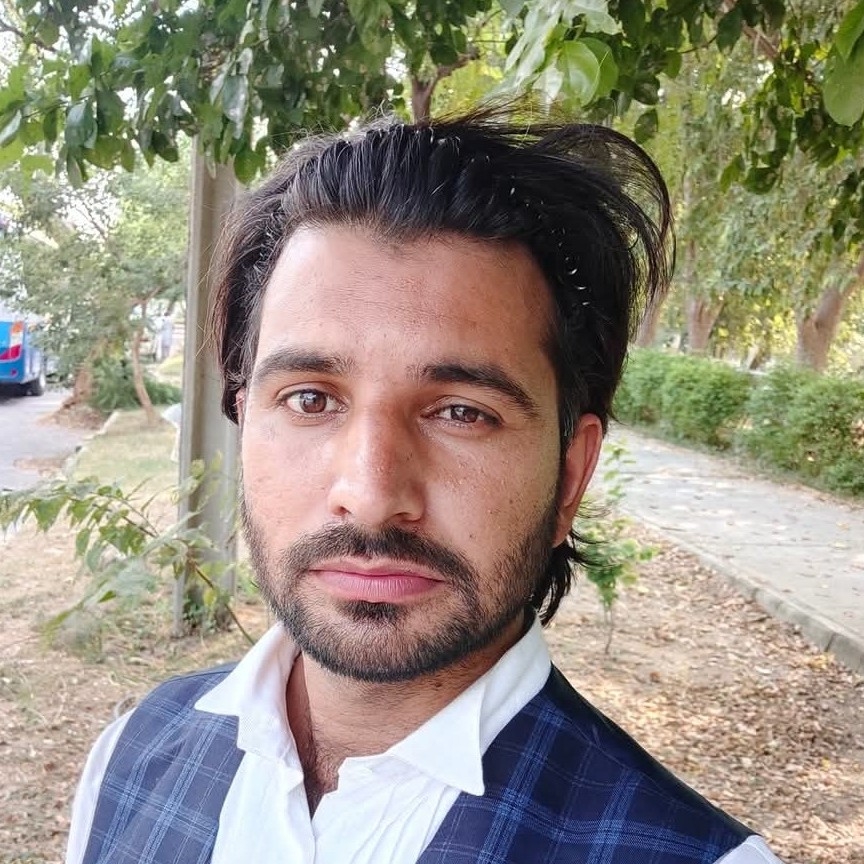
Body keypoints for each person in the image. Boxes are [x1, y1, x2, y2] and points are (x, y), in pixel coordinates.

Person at [66, 109, 783, 864]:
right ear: (246, 427)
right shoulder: (125, 760)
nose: (371, 494)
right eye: (309, 399)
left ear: (570, 476)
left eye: (461, 412)